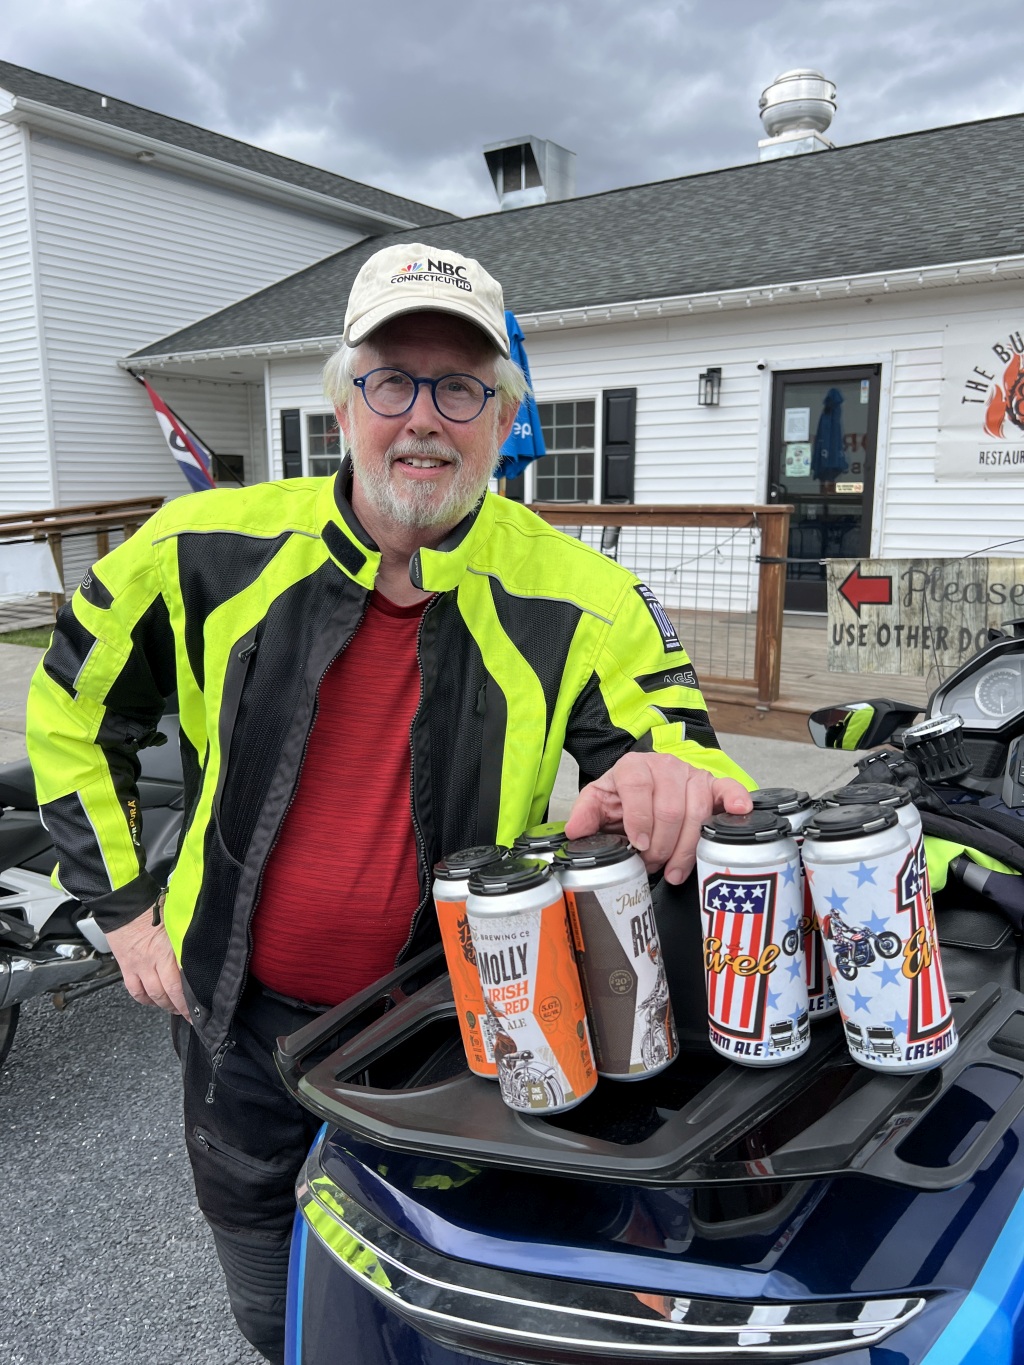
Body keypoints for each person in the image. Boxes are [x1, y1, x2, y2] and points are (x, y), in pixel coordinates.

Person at [26, 241, 753, 1363]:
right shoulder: (198, 547)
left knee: (438, 1301)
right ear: (343, 405)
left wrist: (667, 778)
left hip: (455, 1032)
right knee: (270, 1297)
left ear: (502, 416)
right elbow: (72, 711)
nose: (423, 418)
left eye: (460, 387)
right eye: (391, 382)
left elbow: (682, 751)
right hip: (237, 1019)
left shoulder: (585, 595)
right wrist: (125, 912)